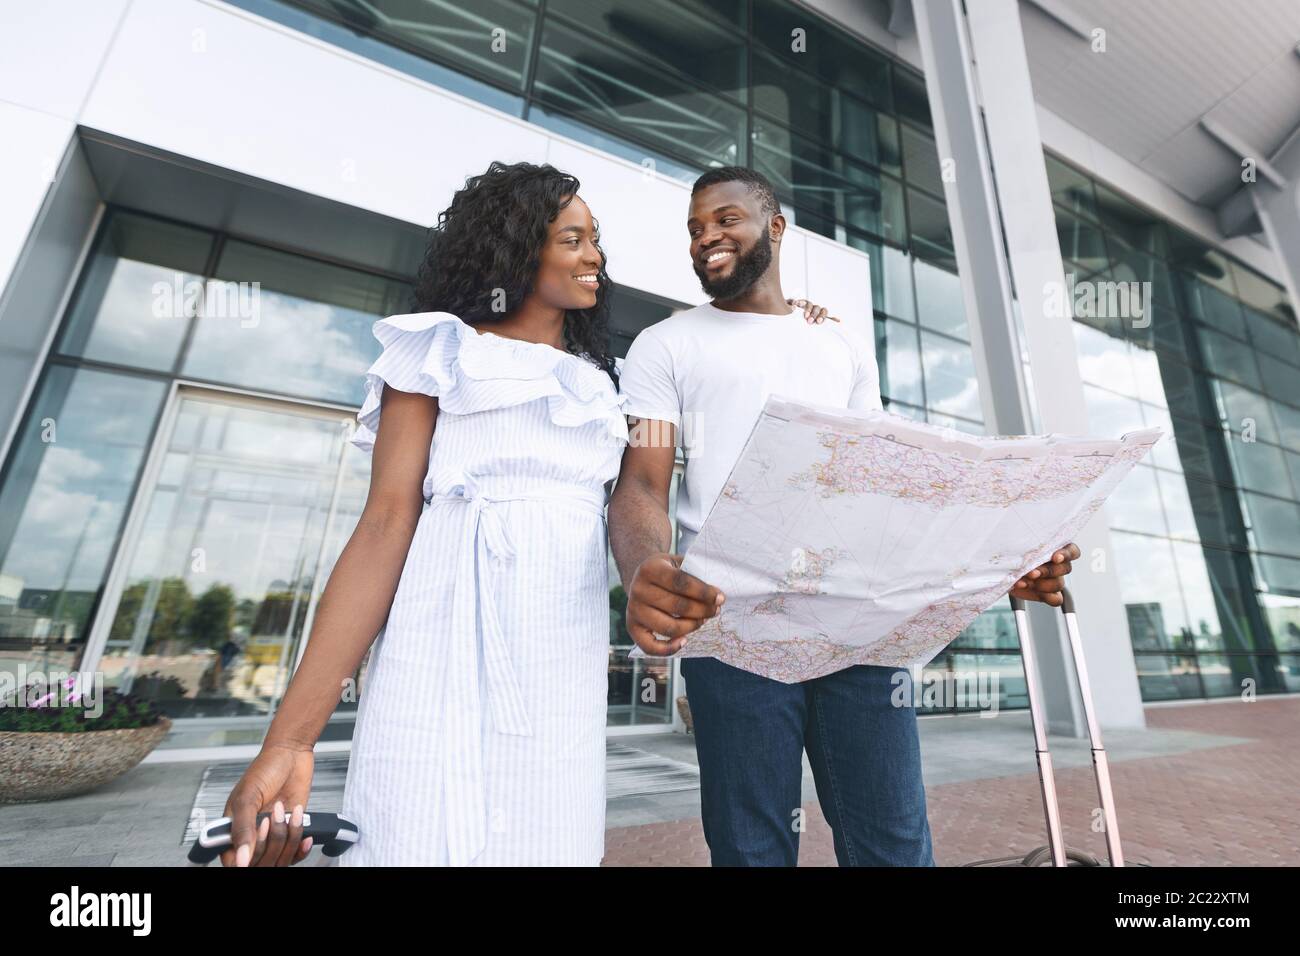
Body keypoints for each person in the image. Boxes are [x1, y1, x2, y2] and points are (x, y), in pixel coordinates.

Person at [218, 160, 834, 867]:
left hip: (557, 664)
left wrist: (800, 324)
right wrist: (291, 741)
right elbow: (384, 527)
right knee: (412, 834)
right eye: (573, 239)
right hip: (436, 651)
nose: (595, 255)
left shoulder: (614, 387)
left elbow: (640, 492)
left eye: (596, 239)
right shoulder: (437, 352)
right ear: (513, 245)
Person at [608, 165, 1082, 867]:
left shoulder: (839, 344)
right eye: (696, 227)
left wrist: (995, 561)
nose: (707, 236)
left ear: (774, 229)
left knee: (893, 846)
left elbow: (886, 490)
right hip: (732, 626)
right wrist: (645, 564)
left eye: (725, 219)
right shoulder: (664, 345)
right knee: (751, 851)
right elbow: (642, 482)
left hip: (860, 629)